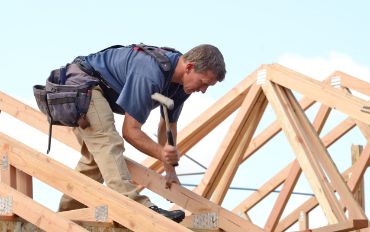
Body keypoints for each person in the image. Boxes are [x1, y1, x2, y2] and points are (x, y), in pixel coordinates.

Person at [58, 44, 226, 223]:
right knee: (108, 142)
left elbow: (167, 127)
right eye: (203, 83)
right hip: (81, 84)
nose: (203, 90)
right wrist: (162, 154)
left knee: (96, 160)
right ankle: (136, 205)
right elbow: (130, 132)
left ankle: (63, 220)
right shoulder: (150, 73)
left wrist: (170, 170)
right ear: (190, 67)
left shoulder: (181, 86)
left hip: (96, 89)